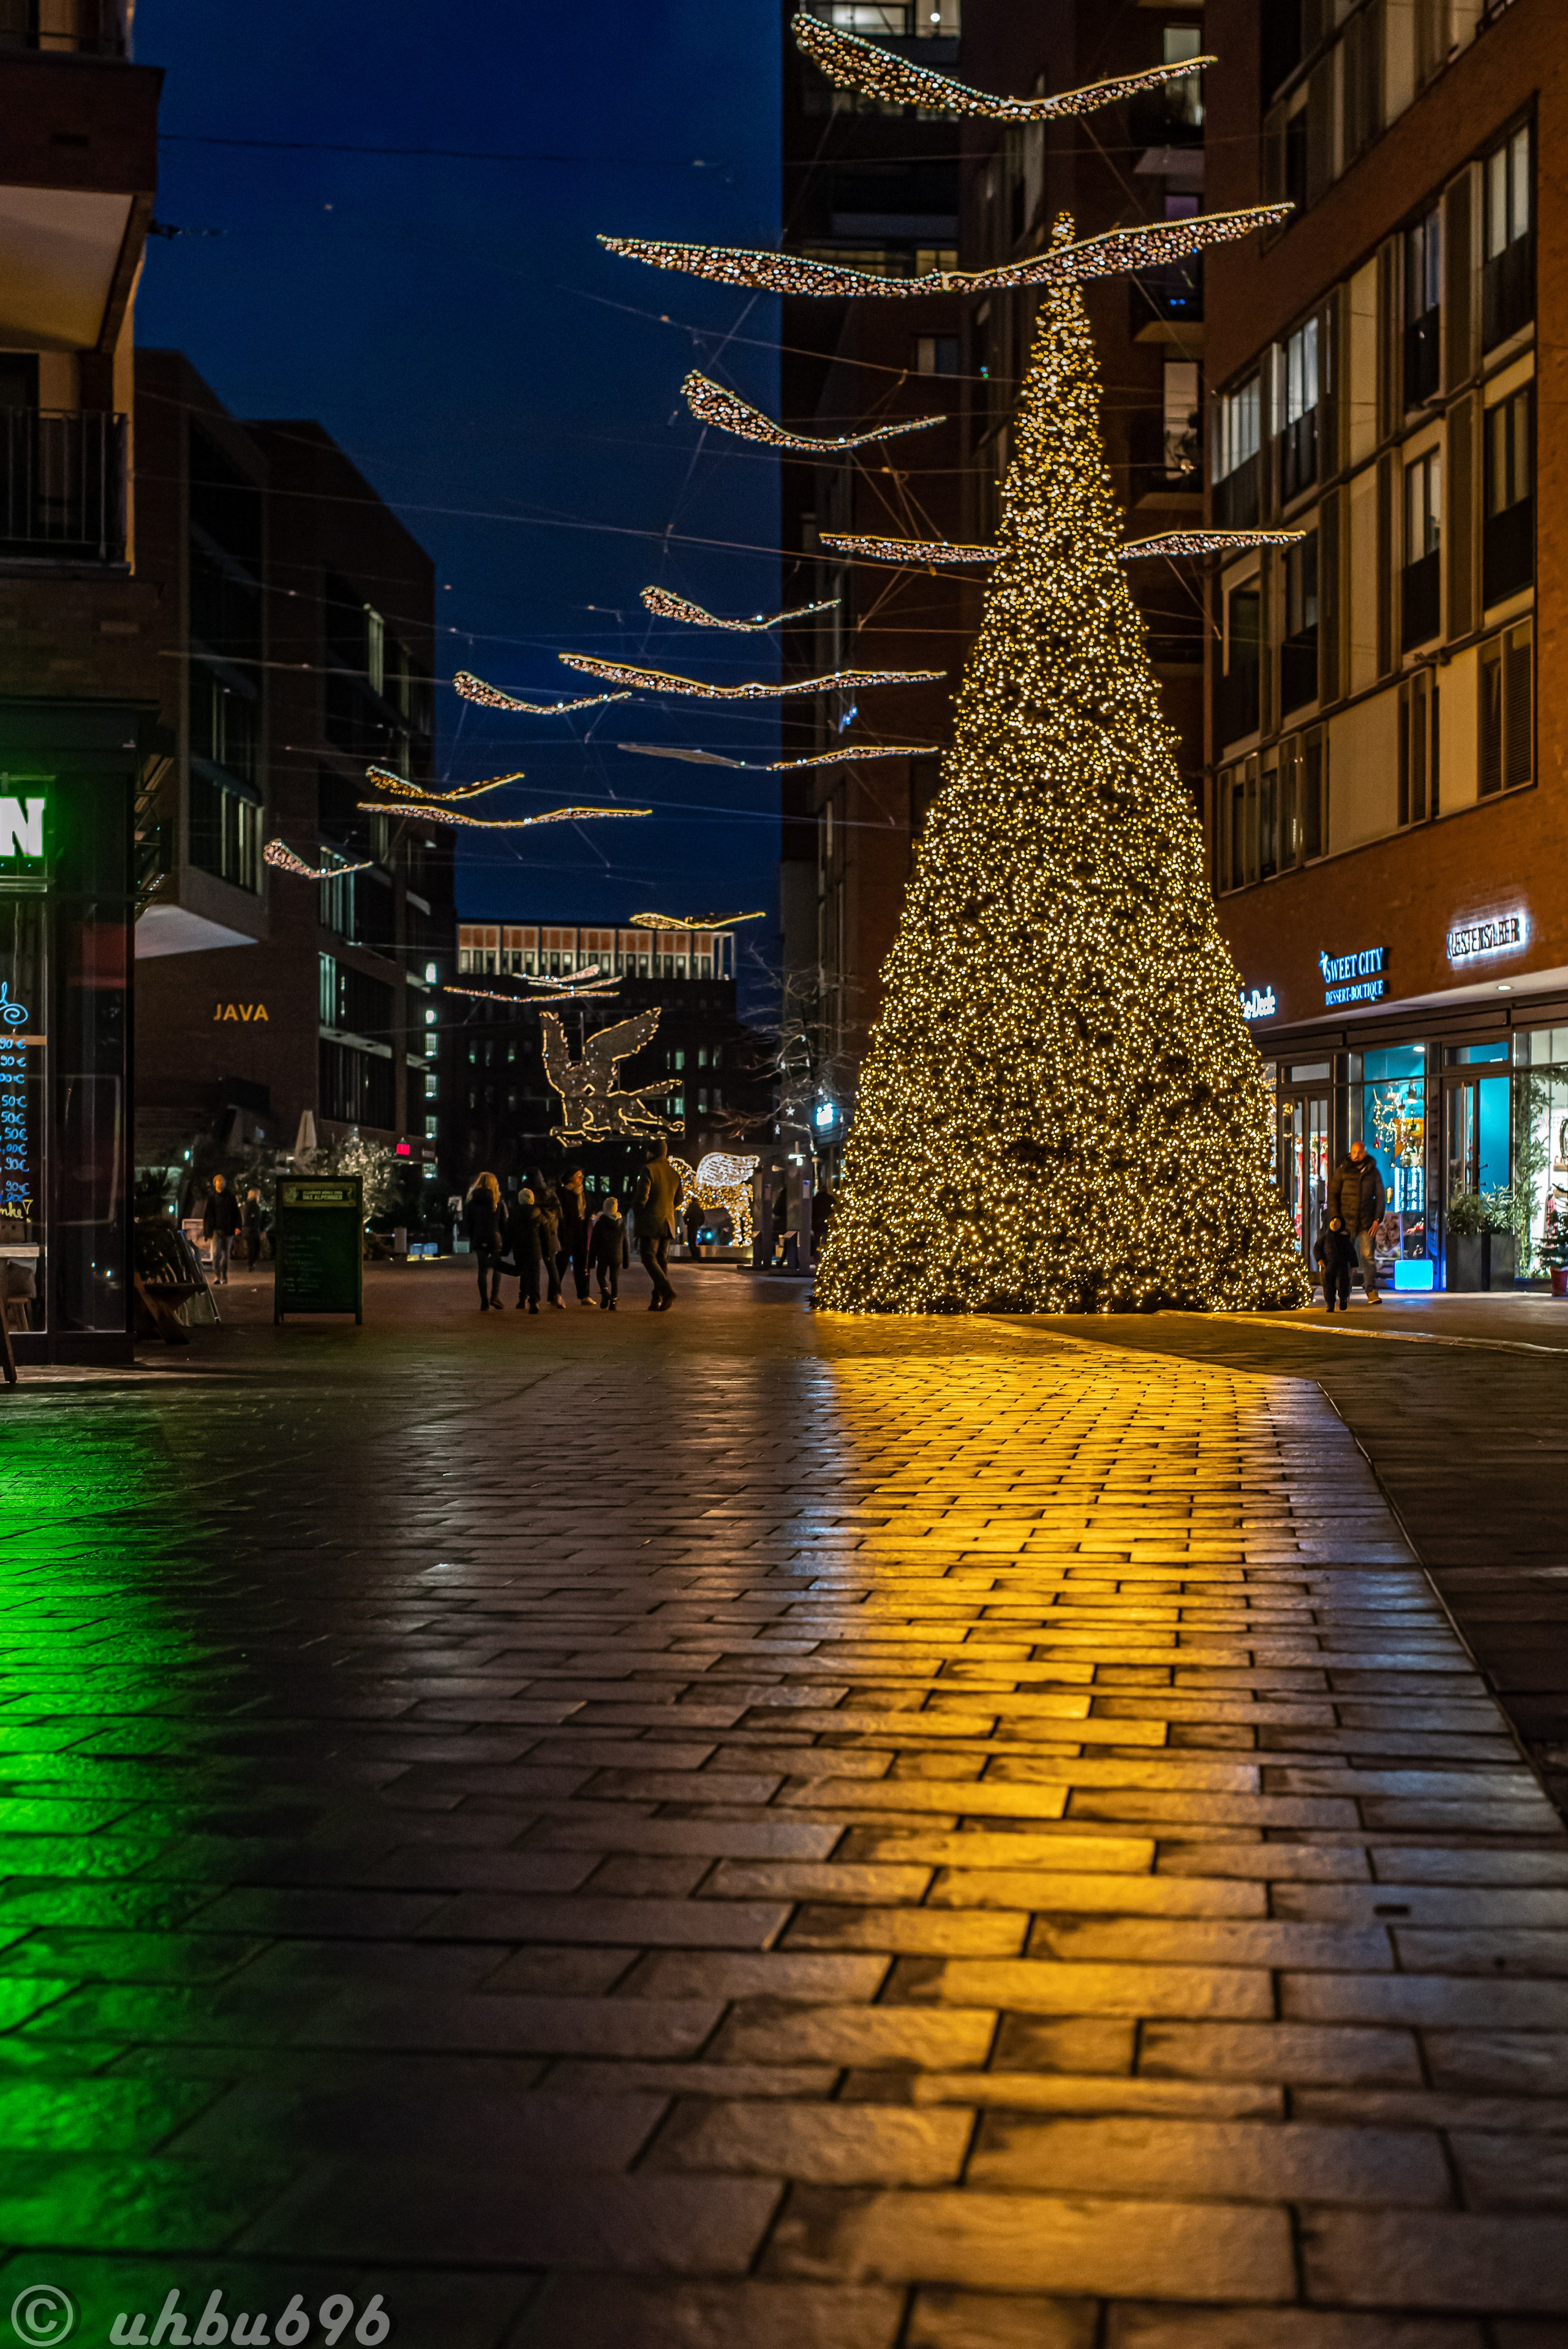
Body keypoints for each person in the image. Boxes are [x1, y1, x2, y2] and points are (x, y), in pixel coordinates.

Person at [1326, 1139, 1387, 1305]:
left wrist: (1377, 1220)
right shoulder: (1343, 1170)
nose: (1356, 1155)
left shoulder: (1373, 1172)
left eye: (1360, 1152)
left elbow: (1380, 1197)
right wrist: (1336, 1218)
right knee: (1344, 1258)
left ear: (1365, 1153)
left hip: (1366, 1222)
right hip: (1346, 1222)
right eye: (1354, 1152)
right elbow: (1333, 1195)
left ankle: (1372, 1291)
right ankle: (1344, 1292)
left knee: (1367, 1256)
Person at [631, 1134, 679, 1310]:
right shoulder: (674, 1173)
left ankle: (667, 1291)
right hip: (668, 1223)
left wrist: (638, 1211)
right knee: (661, 1260)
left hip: (651, 1223)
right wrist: (666, 1209)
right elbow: (679, 1199)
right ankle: (657, 1298)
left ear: (652, 1153)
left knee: (648, 1257)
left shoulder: (649, 1169)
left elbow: (641, 1199)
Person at [463, 1172, 504, 1310]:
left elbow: (468, 1222)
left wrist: (473, 1237)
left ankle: (484, 1302)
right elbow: (504, 1222)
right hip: (494, 1237)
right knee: (497, 1267)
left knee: (482, 1270)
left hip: (479, 1237)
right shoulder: (497, 1201)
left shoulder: (472, 1201)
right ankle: (495, 1297)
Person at [557, 1167, 593, 1305]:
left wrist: (593, 1214)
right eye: (578, 1175)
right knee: (560, 1264)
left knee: (583, 1264)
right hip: (567, 1232)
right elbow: (560, 1215)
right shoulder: (562, 1193)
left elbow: (591, 1207)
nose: (581, 1178)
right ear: (570, 1177)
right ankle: (556, 1294)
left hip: (582, 1232)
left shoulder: (585, 1193)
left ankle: (584, 1295)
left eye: (582, 1175)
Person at [530, 1172, 565, 1310]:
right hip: (551, 1233)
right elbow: (561, 1215)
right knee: (552, 1266)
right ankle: (558, 1296)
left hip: (535, 1235)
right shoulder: (551, 1195)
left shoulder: (530, 1195)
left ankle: (535, 1299)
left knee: (534, 1268)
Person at [589, 1194, 628, 1309]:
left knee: (600, 1275)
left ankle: (605, 1292)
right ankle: (614, 1303)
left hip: (603, 1255)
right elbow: (626, 1243)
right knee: (614, 1278)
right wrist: (626, 1261)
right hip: (617, 1255)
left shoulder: (600, 1223)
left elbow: (594, 1243)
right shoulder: (621, 1224)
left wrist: (591, 1261)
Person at [202, 1174, 242, 1286]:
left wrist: (238, 1226)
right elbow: (207, 1216)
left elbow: (236, 1212)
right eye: (219, 1180)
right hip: (216, 1230)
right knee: (216, 1254)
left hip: (228, 1230)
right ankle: (216, 1276)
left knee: (226, 1255)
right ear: (215, 1183)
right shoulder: (211, 1198)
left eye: (223, 1180)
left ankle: (224, 1276)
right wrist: (206, 1232)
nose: (221, 1182)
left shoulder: (230, 1197)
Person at [510, 1185, 543, 1312]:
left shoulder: (514, 1213)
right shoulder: (538, 1212)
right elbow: (544, 1232)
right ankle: (534, 1301)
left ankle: (522, 1299)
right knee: (534, 1275)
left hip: (519, 1248)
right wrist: (546, 1249)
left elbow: (509, 1232)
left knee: (523, 1273)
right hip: (535, 1248)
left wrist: (506, 1248)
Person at [1313, 1216, 1355, 1314]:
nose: (1335, 1224)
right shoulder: (1326, 1237)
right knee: (1328, 1285)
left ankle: (1343, 1299)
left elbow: (1351, 1252)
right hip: (1329, 1266)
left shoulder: (1345, 1239)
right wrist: (1319, 1259)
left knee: (1343, 1284)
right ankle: (1330, 1303)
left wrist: (1353, 1264)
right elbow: (1317, 1247)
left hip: (1342, 1266)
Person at [241, 1186, 264, 1271]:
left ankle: (251, 1263)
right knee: (253, 1248)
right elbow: (252, 1218)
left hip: (249, 1230)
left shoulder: (249, 1204)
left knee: (253, 1247)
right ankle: (251, 1264)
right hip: (252, 1230)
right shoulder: (253, 1205)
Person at [683, 1192, 703, 1261]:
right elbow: (703, 1218)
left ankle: (694, 1257)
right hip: (696, 1226)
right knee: (694, 1242)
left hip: (691, 1225)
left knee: (690, 1242)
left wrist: (687, 1223)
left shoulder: (690, 1208)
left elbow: (685, 1216)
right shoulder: (699, 1209)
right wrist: (699, 1224)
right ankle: (697, 1257)